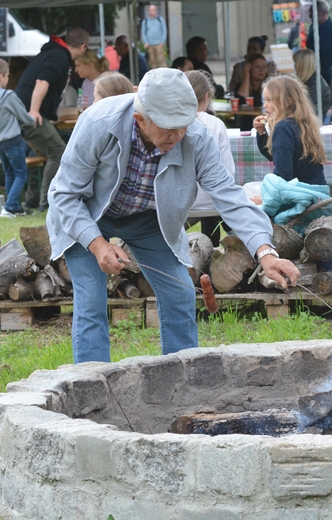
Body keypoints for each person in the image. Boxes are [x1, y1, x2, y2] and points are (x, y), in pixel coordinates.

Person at [47, 68, 300, 363]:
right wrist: (97, 244)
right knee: (91, 301)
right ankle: (92, 392)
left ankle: (184, 386)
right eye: (169, 129)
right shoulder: (98, 122)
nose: (179, 136)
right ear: (140, 120)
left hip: (148, 219)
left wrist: (265, 252)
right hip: (87, 214)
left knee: (180, 293)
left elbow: (229, 196)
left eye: (184, 126)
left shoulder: (195, 136)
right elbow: (64, 195)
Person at [15, 28, 89, 213]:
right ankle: (46, 203)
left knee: (40, 154)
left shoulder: (52, 52)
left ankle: (31, 200)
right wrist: (34, 110)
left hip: (25, 110)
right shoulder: (59, 56)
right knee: (59, 153)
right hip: (29, 112)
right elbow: (42, 81)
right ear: (83, 47)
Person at [0, 58, 36, 218]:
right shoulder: (8, 96)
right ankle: (10, 207)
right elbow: (24, 117)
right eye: (8, 75)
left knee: (10, 173)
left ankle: (15, 207)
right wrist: (33, 119)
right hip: (12, 140)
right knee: (21, 174)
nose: (9, 79)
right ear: (2, 77)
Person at [186, 70, 236, 247]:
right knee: (217, 197)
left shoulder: (171, 123)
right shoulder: (215, 124)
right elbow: (228, 171)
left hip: (182, 202)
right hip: (211, 200)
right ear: (207, 97)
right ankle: (212, 251)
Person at [253, 75, 326, 186]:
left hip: (299, 195)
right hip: (316, 190)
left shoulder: (283, 128)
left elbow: (283, 174)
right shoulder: (303, 123)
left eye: (269, 100)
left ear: (287, 102)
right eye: (264, 100)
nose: (265, 105)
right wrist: (262, 133)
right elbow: (274, 155)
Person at [305, 1, 332, 86]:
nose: (310, 15)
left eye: (313, 12)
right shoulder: (314, 28)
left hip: (328, 73)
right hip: (313, 70)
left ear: (323, 13)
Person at [293, 49, 332, 118]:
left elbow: (310, 110)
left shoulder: (316, 85)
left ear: (301, 66)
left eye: (295, 63)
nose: (294, 67)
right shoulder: (310, 81)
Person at [234, 53, 268, 131]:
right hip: (247, 125)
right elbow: (242, 102)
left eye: (264, 67)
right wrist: (246, 77)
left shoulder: (270, 87)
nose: (261, 70)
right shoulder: (240, 86)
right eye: (257, 67)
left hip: (266, 122)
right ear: (249, 69)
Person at [141, 4, 167, 70]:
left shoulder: (160, 20)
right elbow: (143, 33)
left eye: (155, 10)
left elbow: (164, 31)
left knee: (161, 60)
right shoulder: (145, 21)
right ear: (149, 11)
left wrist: (162, 41)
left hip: (159, 43)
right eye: (153, 10)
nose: (155, 11)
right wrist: (146, 42)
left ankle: (165, 74)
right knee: (152, 61)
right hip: (150, 44)